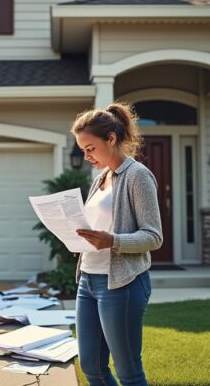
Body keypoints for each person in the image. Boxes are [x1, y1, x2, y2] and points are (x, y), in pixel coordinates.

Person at [71, 102, 163, 386]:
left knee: (129, 373)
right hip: (88, 281)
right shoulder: (100, 178)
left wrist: (112, 241)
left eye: (90, 148)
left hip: (121, 284)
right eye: (82, 150)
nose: (86, 156)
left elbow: (154, 236)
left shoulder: (138, 176)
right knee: (91, 367)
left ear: (111, 139)